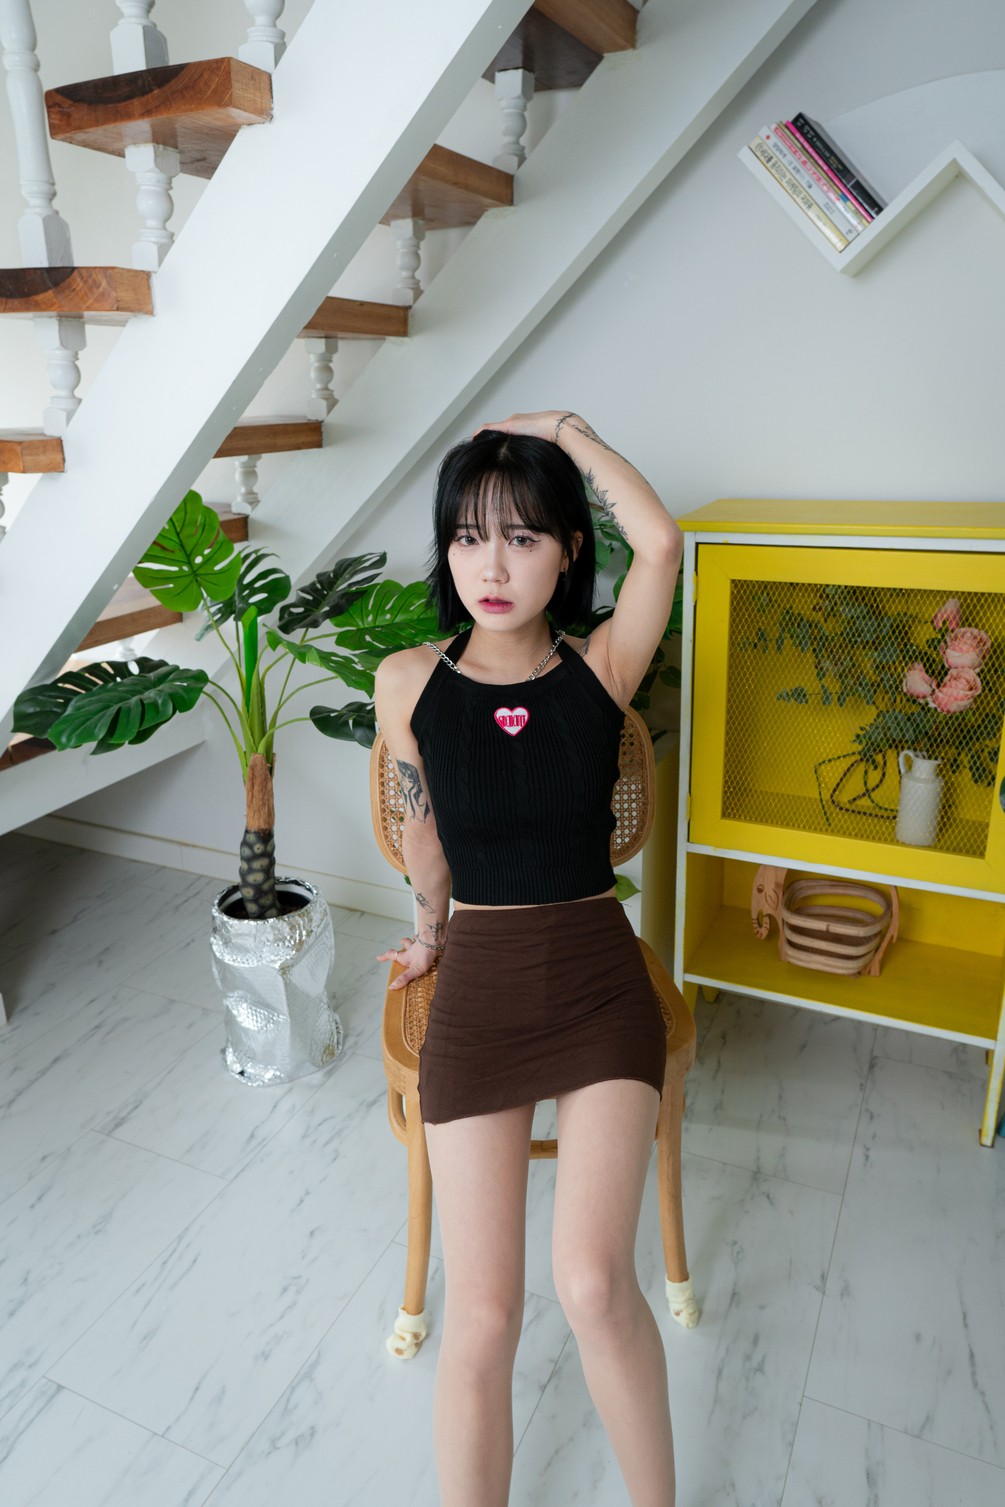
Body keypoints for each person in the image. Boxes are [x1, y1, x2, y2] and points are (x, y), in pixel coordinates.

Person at [374, 410, 684, 1507]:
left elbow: (661, 543)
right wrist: (428, 937)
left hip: (597, 983)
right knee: (485, 1313)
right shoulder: (408, 680)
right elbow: (426, 836)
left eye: (521, 536)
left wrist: (563, 432)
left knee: (592, 1282)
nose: (491, 567)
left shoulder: (602, 667)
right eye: (468, 537)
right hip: (482, 987)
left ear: (568, 550)